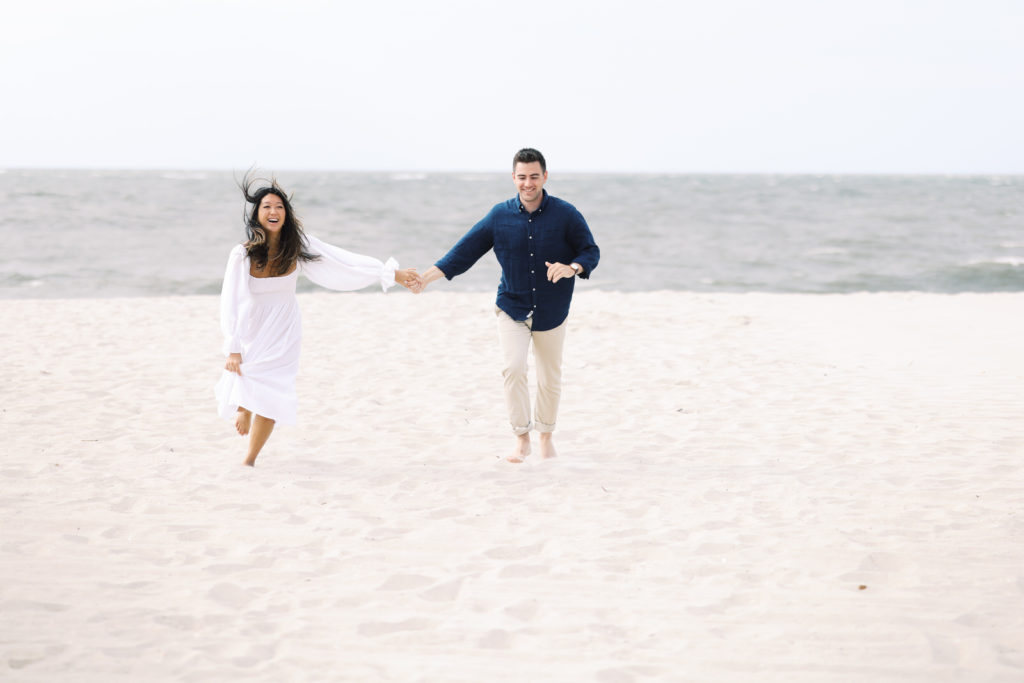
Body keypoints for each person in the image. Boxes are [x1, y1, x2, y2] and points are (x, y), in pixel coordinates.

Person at [215, 174, 421, 466]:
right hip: (253, 326)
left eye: (279, 207)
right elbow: (230, 301)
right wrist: (232, 347)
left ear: (286, 214)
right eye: (266, 207)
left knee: (274, 391)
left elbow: (343, 261)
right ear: (257, 214)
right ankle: (245, 406)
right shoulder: (243, 254)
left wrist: (388, 274)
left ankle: (249, 460)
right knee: (249, 375)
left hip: (285, 328)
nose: (273, 212)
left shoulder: (299, 245)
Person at [414, 148, 600, 462]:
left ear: (545, 176)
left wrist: (573, 268)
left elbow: (589, 251)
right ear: (513, 178)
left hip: (552, 310)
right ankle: (521, 438)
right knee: (512, 369)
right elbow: (465, 251)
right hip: (511, 306)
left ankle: (545, 437)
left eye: (534, 176)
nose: (528, 183)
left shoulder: (566, 214)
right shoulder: (499, 216)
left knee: (549, 377)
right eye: (522, 177)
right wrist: (426, 278)